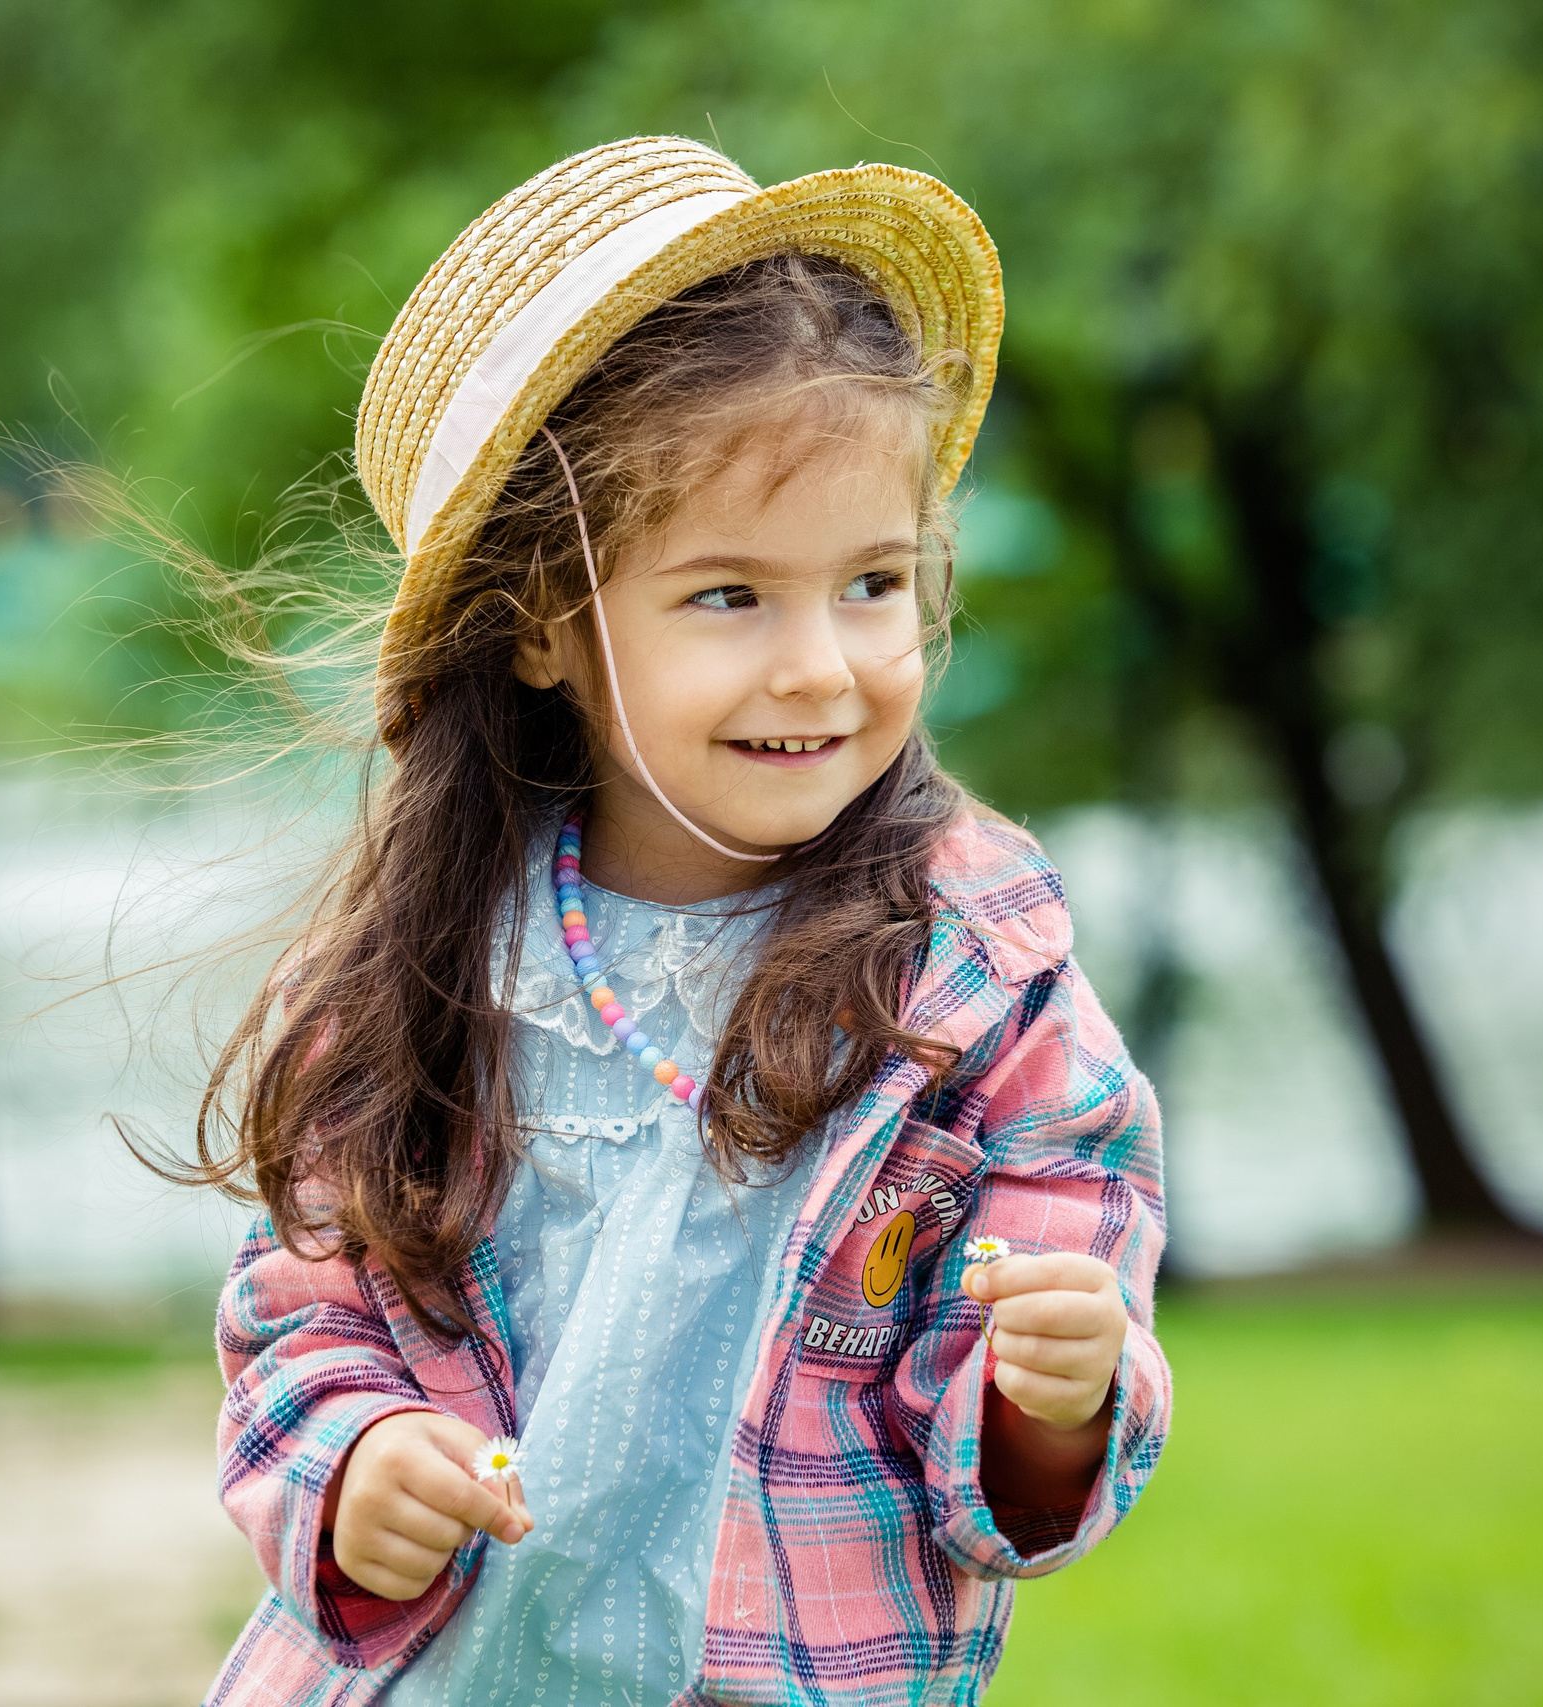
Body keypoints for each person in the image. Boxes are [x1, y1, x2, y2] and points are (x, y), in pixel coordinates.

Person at [188, 137, 1171, 1707]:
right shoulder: (426, 973)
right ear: (539, 628)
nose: (822, 666)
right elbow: (303, 1315)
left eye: (872, 582)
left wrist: (1053, 1387)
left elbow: (1022, 1411)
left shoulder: (978, 981)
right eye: (729, 596)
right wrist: (361, 1459)